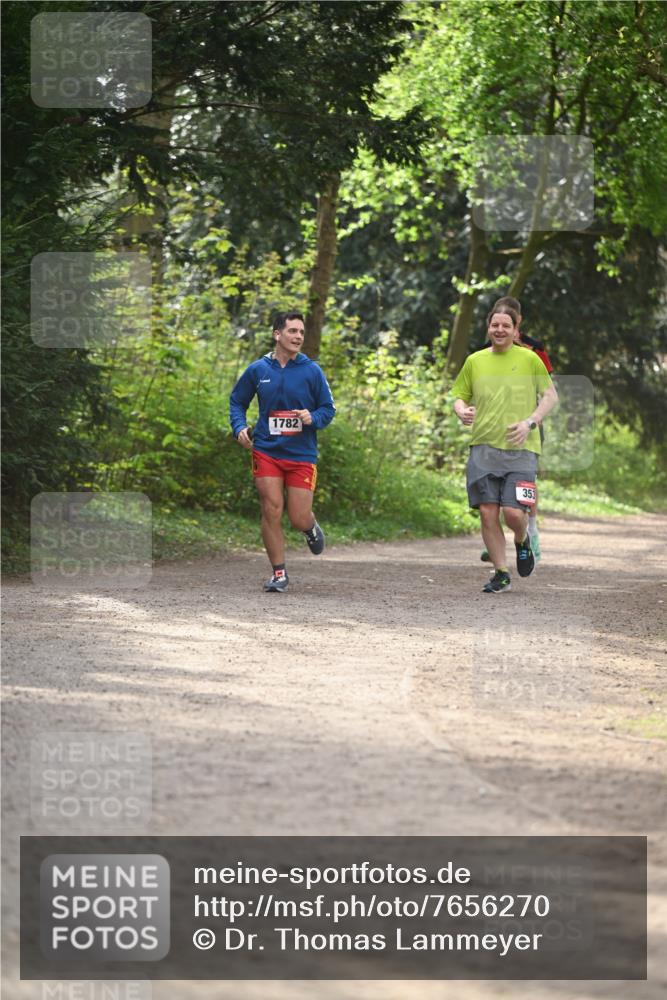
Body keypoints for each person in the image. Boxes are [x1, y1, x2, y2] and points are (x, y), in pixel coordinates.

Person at [452, 303, 558, 593]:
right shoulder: (475, 360)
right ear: (489, 328)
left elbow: (550, 396)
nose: (499, 330)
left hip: (522, 449)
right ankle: (501, 572)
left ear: (515, 330)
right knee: (487, 512)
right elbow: (459, 396)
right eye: (495, 325)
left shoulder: (530, 359)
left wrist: (529, 422)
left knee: (513, 513)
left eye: (505, 326)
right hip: (483, 448)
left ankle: (522, 540)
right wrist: (461, 410)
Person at [229, 311, 335, 593]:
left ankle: (310, 527)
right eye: (292, 331)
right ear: (277, 334)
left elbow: (328, 409)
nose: (298, 336)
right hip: (266, 450)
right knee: (271, 507)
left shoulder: (312, 371)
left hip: (301, 455)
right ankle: (279, 573)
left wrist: (313, 417)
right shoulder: (258, 370)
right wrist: (239, 427)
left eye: (301, 332)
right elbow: (237, 401)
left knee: (298, 517)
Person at [479, 295, 554, 564]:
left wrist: (534, 419)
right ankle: (496, 539)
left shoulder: (534, 348)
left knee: (525, 481)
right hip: (495, 426)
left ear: (518, 321)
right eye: (495, 322)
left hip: (528, 422)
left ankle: (531, 531)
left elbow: (547, 388)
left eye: (508, 321)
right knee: (493, 484)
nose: (500, 329)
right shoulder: (486, 350)